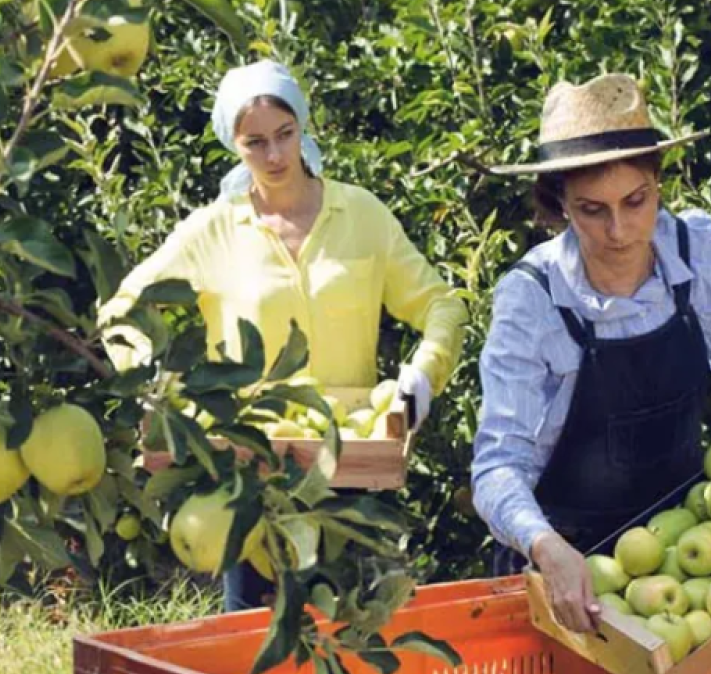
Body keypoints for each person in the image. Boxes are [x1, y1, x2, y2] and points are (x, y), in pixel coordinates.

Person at [98, 60, 468, 611]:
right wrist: (151, 378)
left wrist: (425, 370)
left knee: (354, 627)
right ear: (233, 144)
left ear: (303, 128)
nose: (274, 156)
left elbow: (443, 303)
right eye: (255, 143)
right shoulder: (214, 231)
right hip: (251, 463)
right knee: (250, 631)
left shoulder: (361, 214)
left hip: (351, 457)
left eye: (285, 135)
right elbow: (121, 309)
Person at [473, 73, 711, 634]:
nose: (620, 230)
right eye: (592, 209)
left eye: (636, 201)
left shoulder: (695, 248)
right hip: (575, 570)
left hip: (694, 550)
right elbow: (499, 466)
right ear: (559, 204)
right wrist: (544, 545)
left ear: (658, 183)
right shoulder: (533, 300)